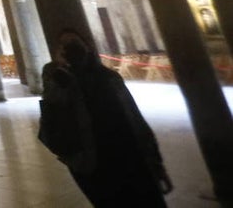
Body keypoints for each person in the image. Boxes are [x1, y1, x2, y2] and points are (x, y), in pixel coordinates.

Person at [40, 29, 171, 206]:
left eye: (74, 43)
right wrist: (61, 73)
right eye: (64, 45)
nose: (70, 49)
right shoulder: (56, 77)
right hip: (92, 160)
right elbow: (53, 109)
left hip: (130, 154)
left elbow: (134, 117)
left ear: (87, 46)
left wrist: (155, 159)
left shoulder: (109, 77)